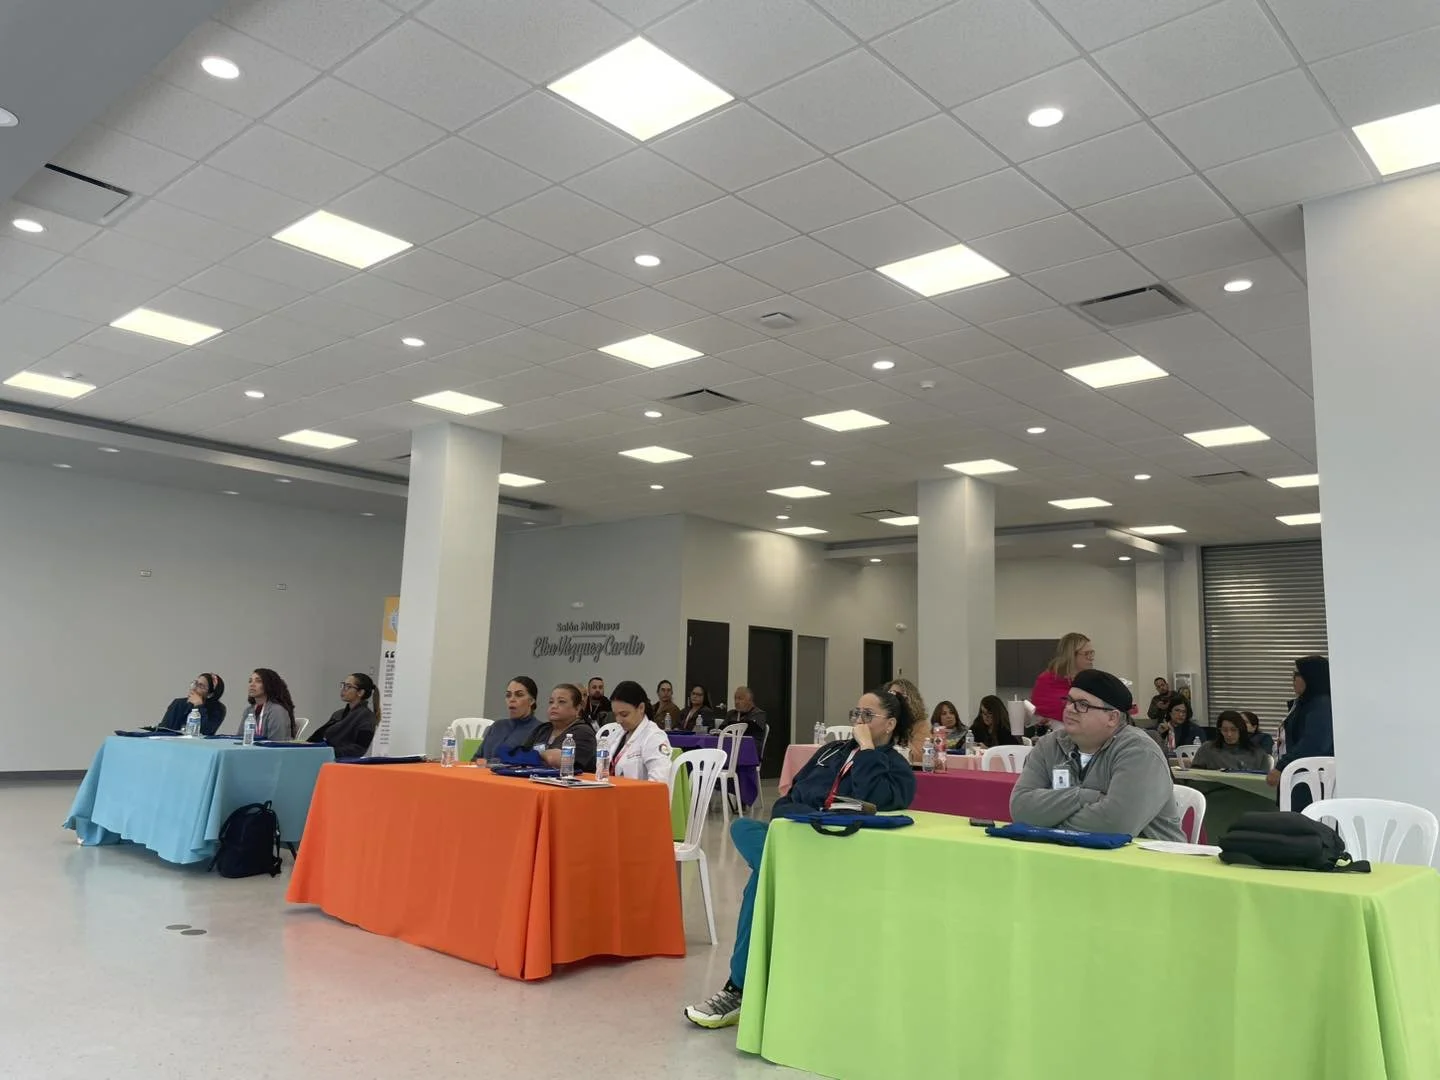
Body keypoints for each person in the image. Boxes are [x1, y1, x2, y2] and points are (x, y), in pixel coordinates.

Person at [685, 688, 917, 1030]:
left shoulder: (895, 767)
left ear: (890, 723)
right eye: (856, 714)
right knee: (744, 828)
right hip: (799, 837)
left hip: (839, 851)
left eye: (868, 717)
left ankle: (737, 989)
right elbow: (788, 799)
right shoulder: (831, 752)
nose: (858, 722)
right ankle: (780, 865)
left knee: (761, 879)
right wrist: (809, 816)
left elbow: (877, 799)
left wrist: (867, 750)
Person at [1011, 668, 1184, 841]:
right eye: (1069, 701)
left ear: (1112, 718)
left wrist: (1046, 825)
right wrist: (1084, 796)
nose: (1070, 709)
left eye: (1083, 704)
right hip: (1072, 859)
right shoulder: (1049, 745)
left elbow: (1116, 824)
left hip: (1150, 861)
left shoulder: (1139, 752)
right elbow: (1020, 808)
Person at [1267, 656, 1334, 807]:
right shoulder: (1303, 704)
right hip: (1300, 776)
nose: (1293, 679)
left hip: (1311, 779)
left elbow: (1313, 743)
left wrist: (1282, 766)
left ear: (1311, 677)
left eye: (1297, 675)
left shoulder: (1321, 705)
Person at [609, 680, 672, 783]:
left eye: (624, 714)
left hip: (639, 796)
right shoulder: (617, 734)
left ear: (641, 708)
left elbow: (659, 782)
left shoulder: (654, 737)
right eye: (615, 715)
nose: (618, 720)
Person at [1029, 632, 1094, 727]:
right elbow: (1041, 715)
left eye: (1092, 653)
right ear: (1071, 655)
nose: (1091, 658)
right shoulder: (1047, 680)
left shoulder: (1088, 680)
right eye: (1087, 654)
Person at [308, 673, 377, 759]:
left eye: (348, 686)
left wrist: (327, 752)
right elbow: (319, 736)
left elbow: (359, 749)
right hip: (324, 756)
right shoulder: (338, 713)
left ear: (360, 692)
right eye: (343, 685)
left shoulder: (367, 717)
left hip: (340, 762)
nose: (343, 689)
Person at [473, 676, 544, 761]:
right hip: (481, 773)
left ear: (531, 701)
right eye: (508, 695)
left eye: (519, 695)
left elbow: (531, 763)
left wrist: (489, 763)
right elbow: (476, 758)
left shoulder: (540, 730)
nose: (512, 699)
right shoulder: (497, 726)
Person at [533, 683, 597, 773]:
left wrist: (532, 755)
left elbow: (556, 759)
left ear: (577, 708)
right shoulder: (543, 729)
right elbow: (519, 754)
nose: (554, 706)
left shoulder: (584, 732)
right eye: (551, 702)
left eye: (561, 702)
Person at [1193, 710, 1270, 772]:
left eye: (1233, 730)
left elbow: (1263, 783)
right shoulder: (1207, 749)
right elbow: (1194, 776)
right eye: (1224, 730)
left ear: (1241, 730)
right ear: (1219, 731)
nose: (1229, 734)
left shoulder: (1257, 753)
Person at [157, 673, 226, 735]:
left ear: (210, 694)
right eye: (195, 683)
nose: (194, 688)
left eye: (200, 685)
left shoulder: (219, 709)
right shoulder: (178, 703)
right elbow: (164, 730)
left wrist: (199, 706)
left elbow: (204, 732)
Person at [243, 668, 296, 740]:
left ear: (269, 685)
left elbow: (276, 742)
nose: (252, 684)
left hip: (272, 750)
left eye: (258, 681)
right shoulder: (249, 710)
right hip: (254, 750)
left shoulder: (277, 710)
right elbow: (240, 737)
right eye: (250, 681)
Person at [886, 677, 928, 763]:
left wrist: (900, 728)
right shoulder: (883, 720)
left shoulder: (921, 725)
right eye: (890, 695)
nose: (894, 700)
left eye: (899, 696)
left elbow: (919, 758)